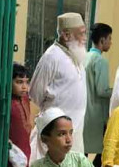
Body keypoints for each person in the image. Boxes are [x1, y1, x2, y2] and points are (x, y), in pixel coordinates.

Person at [30, 13, 88, 153]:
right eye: (81, 34)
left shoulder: (77, 57)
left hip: (75, 133)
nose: (85, 39)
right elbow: (33, 98)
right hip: (54, 137)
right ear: (66, 35)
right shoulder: (51, 57)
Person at [84, 23, 114, 167]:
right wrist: (118, 91)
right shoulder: (101, 61)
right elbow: (102, 90)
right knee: (103, 151)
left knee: (82, 151)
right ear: (102, 40)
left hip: (84, 111)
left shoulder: (85, 57)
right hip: (95, 113)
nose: (111, 42)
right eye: (109, 39)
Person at [6, 62, 33, 167]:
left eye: (26, 82)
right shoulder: (8, 103)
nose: (24, 86)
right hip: (11, 160)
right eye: (19, 82)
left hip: (23, 157)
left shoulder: (24, 100)